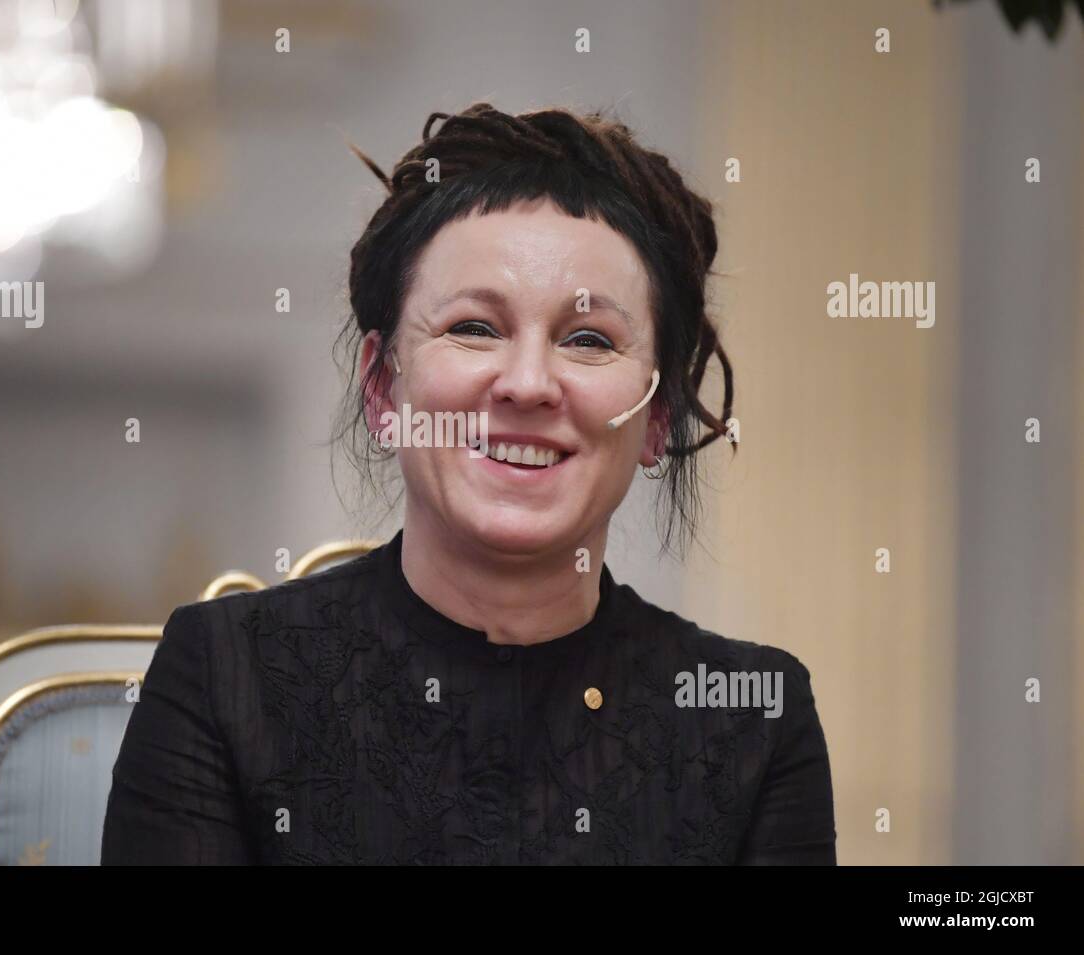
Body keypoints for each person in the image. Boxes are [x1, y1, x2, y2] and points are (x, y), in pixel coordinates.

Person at [101, 102, 836, 864]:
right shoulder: (228, 677)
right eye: (473, 328)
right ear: (384, 391)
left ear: (657, 420)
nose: (526, 384)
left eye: (588, 340)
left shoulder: (752, 716)